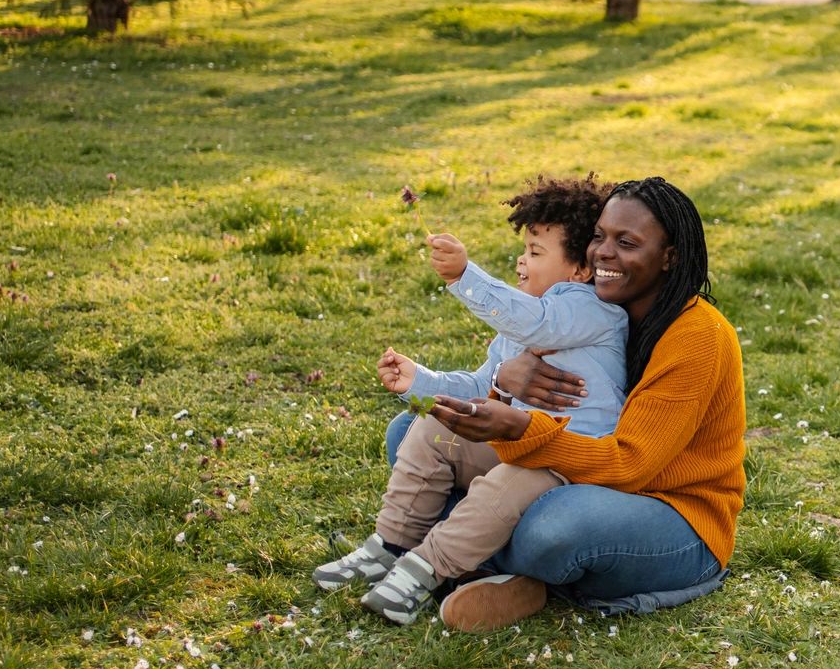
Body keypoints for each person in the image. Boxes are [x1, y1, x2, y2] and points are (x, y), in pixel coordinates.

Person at [404, 177, 745, 633]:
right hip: (580, 479)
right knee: (414, 435)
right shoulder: (596, 309)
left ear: (670, 257)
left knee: (553, 529)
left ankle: (467, 550)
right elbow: (509, 400)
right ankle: (503, 572)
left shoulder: (697, 336)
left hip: (671, 513)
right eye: (599, 237)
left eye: (626, 242)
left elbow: (630, 465)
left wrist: (519, 430)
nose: (602, 252)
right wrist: (505, 383)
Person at [315, 176, 626, 626]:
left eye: (536, 253)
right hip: (521, 442)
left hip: (567, 462)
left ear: (580, 269)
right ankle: (390, 545)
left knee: (505, 486)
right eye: (524, 249)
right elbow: (484, 387)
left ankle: (424, 570)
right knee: (434, 429)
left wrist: (465, 276)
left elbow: (537, 324)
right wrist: (418, 381)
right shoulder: (526, 317)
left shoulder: (588, 309)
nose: (521, 261)